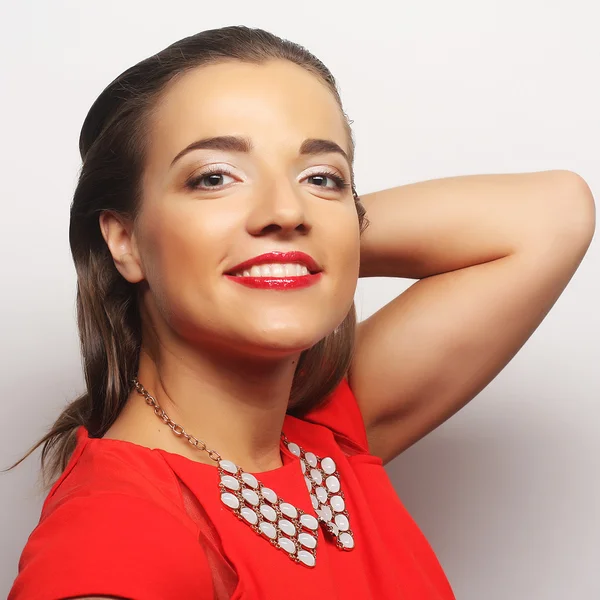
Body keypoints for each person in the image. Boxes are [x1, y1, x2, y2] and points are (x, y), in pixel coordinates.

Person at [6, 25, 595, 600]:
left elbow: (556, 212)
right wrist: (288, 243)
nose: (285, 208)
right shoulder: (113, 537)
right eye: (214, 177)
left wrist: (316, 245)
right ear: (125, 241)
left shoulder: (328, 437)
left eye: (322, 177)